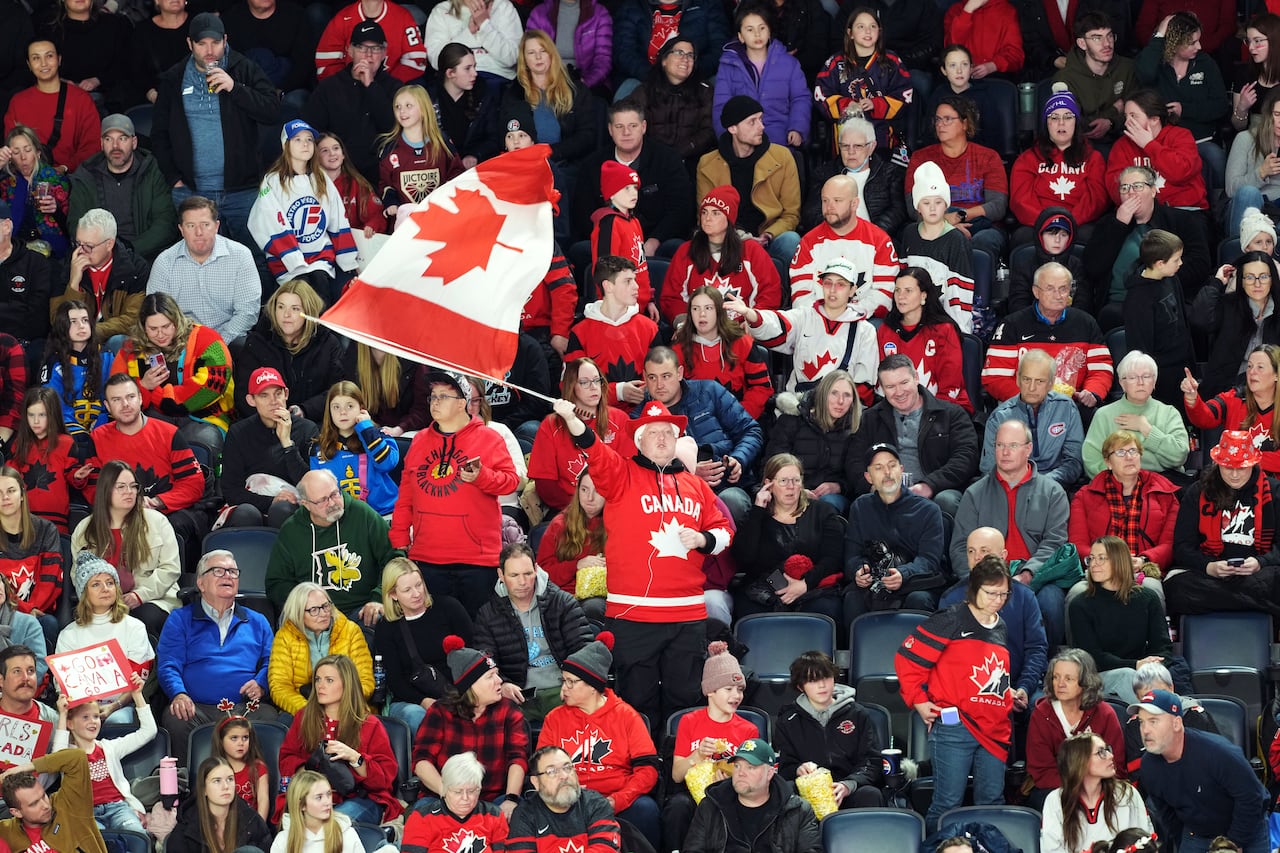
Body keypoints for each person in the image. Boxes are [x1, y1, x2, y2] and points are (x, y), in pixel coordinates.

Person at [547, 394, 733, 728]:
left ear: (677, 440)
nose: (662, 438)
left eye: (668, 432)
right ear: (638, 441)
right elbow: (596, 452)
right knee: (636, 706)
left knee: (684, 705)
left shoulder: (696, 486)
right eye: (653, 432)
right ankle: (643, 770)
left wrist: (704, 540)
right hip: (632, 616)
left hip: (686, 616)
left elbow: (724, 532)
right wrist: (573, 421)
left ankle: (676, 774)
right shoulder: (620, 474)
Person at [895, 555, 1016, 831]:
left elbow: (994, 673)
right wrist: (919, 700)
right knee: (947, 802)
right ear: (974, 589)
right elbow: (907, 658)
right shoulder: (949, 619)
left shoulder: (1000, 626)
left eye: (1003, 593)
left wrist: (1009, 696)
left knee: (992, 802)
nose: (998, 599)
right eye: (991, 592)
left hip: (995, 729)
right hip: (954, 726)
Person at [390, 371, 519, 613]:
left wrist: (483, 476)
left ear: (463, 404)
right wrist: (399, 538)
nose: (435, 402)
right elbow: (406, 495)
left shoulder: (489, 438)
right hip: (428, 557)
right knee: (439, 635)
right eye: (432, 397)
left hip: (477, 560)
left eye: (443, 396)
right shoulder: (418, 441)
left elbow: (511, 482)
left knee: (478, 633)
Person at [150, 13, 281, 248]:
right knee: (197, 261)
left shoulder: (243, 69)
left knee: (256, 258)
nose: (210, 50)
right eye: (201, 43)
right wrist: (174, 179)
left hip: (242, 190)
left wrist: (235, 87)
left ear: (226, 40)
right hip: (192, 191)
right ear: (189, 43)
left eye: (216, 42)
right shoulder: (174, 78)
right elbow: (159, 134)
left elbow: (272, 111)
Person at [951, 419, 1071, 647]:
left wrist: (1027, 574)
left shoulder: (1053, 492)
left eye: (1013, 446)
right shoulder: (974, 493)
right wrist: (982, 582)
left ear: (1028, 449)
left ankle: (1048, 665)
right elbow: (959, 546)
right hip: (985, 578)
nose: (1004, 452)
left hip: (1037, 578)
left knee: (1051, 601)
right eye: (999, 445)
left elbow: (1055, 542)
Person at [537, 632, 661, 847]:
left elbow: (648, 770)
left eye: (570, 682)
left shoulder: (626, 716)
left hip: (615, 797)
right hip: (567, 797)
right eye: (563, 680)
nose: (563, 689)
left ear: (592, 686)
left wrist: (617, 800)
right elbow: (542, 767)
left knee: (646, 810)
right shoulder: (554, 719)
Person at [156, 550, 278, 763]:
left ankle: (258, 789)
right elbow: (168, 664)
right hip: (196, 707)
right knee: (176, 717)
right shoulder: (180, 619)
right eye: (219, 571)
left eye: (232, 572)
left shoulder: (257, 621)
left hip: (244, 707)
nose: (228, 576)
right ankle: (188, 790)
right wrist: (179, 693)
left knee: (268, 717)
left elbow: (274, 662)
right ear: (201, 583)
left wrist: (260, 683)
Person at [632, 346, 762, 523]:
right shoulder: (640, 419)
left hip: (726, 486)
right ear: (644, 378)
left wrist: (738, 459)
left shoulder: (709, 391)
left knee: (733, 501)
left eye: (666, 376)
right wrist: (688, 474)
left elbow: (751, 430)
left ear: (679, 373)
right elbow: (641, 471)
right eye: (652, 378)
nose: (659, 385)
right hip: (673, 498)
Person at [1133, 689, 1270, 853]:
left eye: (1153, 721)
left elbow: (1251, 797)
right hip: (1197, 834)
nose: (1145, 730)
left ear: (1176, 723)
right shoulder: (1148, 766)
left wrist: (1235, 843)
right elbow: (1168, 815)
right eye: (1141, 722)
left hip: (1246, 829)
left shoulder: (1218, 752)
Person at [473, 542, 593, 724]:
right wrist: (503, 684)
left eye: (528, 574)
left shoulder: (562, 603)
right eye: (514, 575)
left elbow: (584, 650)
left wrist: (572, 683)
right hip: (517, 694)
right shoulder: (488, 614)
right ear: (501, 575)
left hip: (561, 689)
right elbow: (486, 659)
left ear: (536, 569)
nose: (522, 582)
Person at [1165, 430, 1280, 619]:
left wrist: (1260, 563)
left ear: (1253, 464)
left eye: (1241, 468)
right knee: (1177, 587)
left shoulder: (1275, 491)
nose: (1234, 475)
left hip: (1258, 574)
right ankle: (1256, 604)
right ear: (1218, 464)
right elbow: (1182, 547)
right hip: (1211, 574)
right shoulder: (1198, 492)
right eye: (1227, 468)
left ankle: (1231, 600)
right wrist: (1209, 566)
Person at [277, 653, 402, 823]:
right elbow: (286, 759)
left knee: (331, 823)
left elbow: (384, 781)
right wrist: (310, 770)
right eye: (318, 680)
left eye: (329, 680)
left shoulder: (369, 724)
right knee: (301, 822)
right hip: (312, 796)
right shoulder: (304, 717)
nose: (320, 686)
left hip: (362, 798)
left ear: (347, 685)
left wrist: (354, 758)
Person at [729, 258, 878, 400]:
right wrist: (750, 313)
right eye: (827, 283)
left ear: (852, 290)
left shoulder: (865, 331)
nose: (833, 290)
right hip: (797, 406)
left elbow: (865, 385)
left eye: (841, 284)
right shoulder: (804, 315)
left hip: (841, 411)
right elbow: (777, 324)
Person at [266, 468, 402, 624]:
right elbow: (276, 583)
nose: (332, 503)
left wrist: (379, 598)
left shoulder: (362, 515)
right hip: (313, 613)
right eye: (323, 500)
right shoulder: (291, 531)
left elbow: (394, 558)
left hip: (361, 609)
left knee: (379, 620)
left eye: (334, 494)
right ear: (306, 504)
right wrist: (305, 605)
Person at [412, 636, 528, 817]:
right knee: (422, 821)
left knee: (517, 817)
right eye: (490, 676)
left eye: (497, 674)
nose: (499, 681)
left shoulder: (508, 711)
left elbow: (517, 758)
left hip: (493, 798)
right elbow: (421, 761)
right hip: (442, 796)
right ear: (470, 686)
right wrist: (448, 794)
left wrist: (511, 799)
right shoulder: (440, 712)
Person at [851, 354, 978, 515]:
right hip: (885, 490)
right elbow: (854, 461)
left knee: (947, 501)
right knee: (864, 503)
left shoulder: (951, 414)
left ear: (916, 378)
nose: (899, 392)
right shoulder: (870, 418)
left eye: (904, 383)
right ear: (882, 389)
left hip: (937, 491)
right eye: (890, 387)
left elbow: (966, 457)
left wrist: (929, 485)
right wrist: (874, 486)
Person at [1084, 163, 1212, 322]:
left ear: (1153, 190)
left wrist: (1158, 277)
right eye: (1124, 188)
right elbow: (1092, 268)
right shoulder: (1108, 225)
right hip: (1119, 303)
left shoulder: (1181, 220)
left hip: (1165, 301)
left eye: (1137, 186)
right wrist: (1118, 226)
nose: (1130, 193)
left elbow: (1201, 264)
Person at [248, 120, 358, 303]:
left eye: (309, 139)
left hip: (320, 259)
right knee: (301, 297)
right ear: (286, 145)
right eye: (297, 139)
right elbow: (266, 223)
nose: (305, 144)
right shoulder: (273, 181)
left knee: (321, 293)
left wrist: (349, 262)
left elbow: (337, 220)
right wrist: (294, 261)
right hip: (286, 264)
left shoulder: (321, 178)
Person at [663, 643, 758, 849]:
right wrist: (697, 756)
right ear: (710, 691)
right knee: (678, 806)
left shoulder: (748, 730)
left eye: (740, 689)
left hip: (731, 794)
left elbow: (753, 776)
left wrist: (732, 777)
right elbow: (677, 775)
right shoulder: (689, 722)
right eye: (729, 689)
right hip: (691, 794)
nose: (736, 696)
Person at [70, 459, 180, 636]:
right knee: (81, 622)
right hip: (102, 602)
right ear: (105, 490)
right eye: (121, 487)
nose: (129, 492)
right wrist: (100, 600)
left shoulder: (157, 522)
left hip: (152, 599)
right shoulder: (85, 529)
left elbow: (170, 569)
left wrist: (139, 595)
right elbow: (78, 574)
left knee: (144, 618)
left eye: (133, 486)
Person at [983, 263, 1113, 408]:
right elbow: (994, 377)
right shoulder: (1012, 325)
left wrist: (1093, 393)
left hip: (1073, 407)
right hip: (1023, 406)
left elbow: (1101, 369)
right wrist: (1030, 398)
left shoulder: (1086, 323)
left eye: (1063, 289)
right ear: (1036, 292)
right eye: (1050, 289)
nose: (1058, 295)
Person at [571, 100, 694, 252]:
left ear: (643, 127)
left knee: (675, 247)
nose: (626, 132)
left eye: (632, 126)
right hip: (608, 243)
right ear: (610, 130)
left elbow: (681, 209)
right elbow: (583, 214)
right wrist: (611, 242)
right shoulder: (592, 165)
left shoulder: (667, 159)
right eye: (619, 127)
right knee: (580, 250)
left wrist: (655, 240)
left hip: (655, 241)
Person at [845, 441, 948, 622]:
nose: (887, 472)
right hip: (875, 583)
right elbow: (852, 554)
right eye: (879, 468)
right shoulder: (860, 507)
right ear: (868, 477)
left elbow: (930, 560)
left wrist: (904, 574)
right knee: (853, 598)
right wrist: (859, 571)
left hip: (915, 583)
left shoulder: (928, 510)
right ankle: (859, 650)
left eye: (892, 466)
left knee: (919, 599)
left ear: (901, 470)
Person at [695, 95, 801, 267]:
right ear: (732, 128)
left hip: (769, 238)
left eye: (760, 119)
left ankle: (785, 293)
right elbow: (705, 217)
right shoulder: (707, 164)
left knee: (791, 240)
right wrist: (739, 238)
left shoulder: (782, 157)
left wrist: (768, 235)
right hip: (728, 239)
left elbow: (791, 214)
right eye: (752, 122)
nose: (761, 127)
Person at [373, 556, 473, 735]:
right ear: (393, 595)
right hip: (412, 700)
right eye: (407, 590)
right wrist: (424, 701)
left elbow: (473, 654)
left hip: (457, 692)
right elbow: (396, 681)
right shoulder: (386, 628)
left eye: (419, 585)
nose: (417, 593)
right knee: (419, 716)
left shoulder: (449, 607)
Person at [775, 651, 885, 809]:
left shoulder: (858, 714)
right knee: (787, 794)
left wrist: (849, 785)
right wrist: (798, 769)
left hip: (849, 790)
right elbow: (784, 768)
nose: (822, 685)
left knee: (870, 794)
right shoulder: (788, 721)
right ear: (800, 686)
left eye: (826, 677)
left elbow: (872, 762)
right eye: (813, 680)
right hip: (809, 793)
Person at [1068, 536, 1175, 699]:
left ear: (1120, 561)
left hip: (1142, 673)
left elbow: (1163, 647)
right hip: (1098, 677)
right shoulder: (1080, 604)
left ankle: (1185, 710)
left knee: (1160, 676)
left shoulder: (1147, 598)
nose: (1094, 564)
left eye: (1101, 558)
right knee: (1127, 675)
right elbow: (1092, 657)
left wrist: (1153, 666)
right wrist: (1135, 665)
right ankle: (1159, 712)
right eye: (1091, 558)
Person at [111, 292, 235, 432]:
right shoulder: (131, 349)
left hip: (203, 416)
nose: (160, 334)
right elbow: (116, 394)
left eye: (166, 326)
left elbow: (212, 386)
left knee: (201, 443)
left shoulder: (207, 339)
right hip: (151, 416)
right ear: (143, 327)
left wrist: (162, 397)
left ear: (177, 321)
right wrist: (143, 386)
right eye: (153, 329)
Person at [147, 196, 262, 345]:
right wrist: (186, 346)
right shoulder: (165, 262)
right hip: (180, 343)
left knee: (244, 345)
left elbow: (247, 312)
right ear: (181, 229)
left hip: (229, 340)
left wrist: (217, 344)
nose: (199, 232)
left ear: (216, 226)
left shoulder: (240, 256)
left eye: (205, 224)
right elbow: (157, 314)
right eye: (190, 226)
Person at [906, 96, 1010, 261]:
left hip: (981, 227)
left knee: (984, 243)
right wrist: (943, 223)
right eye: (938, 119)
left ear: (965, 123)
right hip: (933, 223)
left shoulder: (988, 157)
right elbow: (914, 208)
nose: (940, 124)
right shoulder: (921, 158)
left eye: (948, 119)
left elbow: (997, 206)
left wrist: (959, 216)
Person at [661, 190, 782, 329]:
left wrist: (753, 322)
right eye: (704, 212)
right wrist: (683, 324)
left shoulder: (751, 250)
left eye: (716, 213)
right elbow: (672, 297)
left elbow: (770, 291)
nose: (707, 218)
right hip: (696, 332)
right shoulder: (686, 251)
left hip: (741, 332)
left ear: (729, 218)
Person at [1135, 12, 1229, 191]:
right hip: (1165, 143)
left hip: (1201, 140)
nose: (1199, 46)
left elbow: (1221, 105)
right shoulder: (1156, 63)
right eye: (1192, 42)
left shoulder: (1205, 63)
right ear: (1175, 43)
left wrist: (1185, 110)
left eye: (1198, 40)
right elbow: (1144, 73)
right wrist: (1160, 34)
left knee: (1215, 157)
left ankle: (1217, 209)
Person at [67, 114, 177, 262]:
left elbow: (165, 223)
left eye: (122, 138)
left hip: (144, 255)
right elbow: (76, 222)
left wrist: (130, 249)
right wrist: (100, 250)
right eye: (108, 139)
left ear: (134, 142)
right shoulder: (86, 175)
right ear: (101, 144)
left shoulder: (152, 171)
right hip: (98, 255)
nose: (115, 146)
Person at [302, 22, 401, 185]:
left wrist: (370, 85)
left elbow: (392, 128)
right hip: (337, 175)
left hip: (383, 175)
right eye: (362, 48)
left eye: (375, 48)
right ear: (350, 50)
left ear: (384, 52)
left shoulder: (395, 88)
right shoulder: (329, 87)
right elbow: (311, 132)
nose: (368, 55)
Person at [1070, 433, 1180, 579]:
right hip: (1098, 571)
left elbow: (1170, 543)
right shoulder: (1084, 496)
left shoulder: (1165, 495)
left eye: (1133, 451)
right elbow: (1077, 543)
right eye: (1120, 452)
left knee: (1151, 591)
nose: (1129, 457)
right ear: (1108, 462)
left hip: (1145, 572)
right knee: (1077, 594)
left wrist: (1143, 560)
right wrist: (1104, 562)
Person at [235, 281, 347, 424]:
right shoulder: (257, 342)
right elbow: (244, 395)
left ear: (309, 311)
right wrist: (273, 418)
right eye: (281, 307)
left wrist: (305, 410)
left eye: (295, 309)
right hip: (265, 424)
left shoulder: (327, 343)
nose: (286, 315)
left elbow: (339, 390)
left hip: (314, 423)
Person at [1026, 648, 1127, 807]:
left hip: (1100, 786)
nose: (1060, 684)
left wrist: (1092, 787)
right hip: (1055, 788)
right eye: (1056, 677)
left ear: (1086, 682)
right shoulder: (1041, 714)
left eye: (1068, 679)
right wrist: (1079, 790)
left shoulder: (1105, 714)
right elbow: (1041, 770)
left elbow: (1116, 765)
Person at [221, 367, 319, 528]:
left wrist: (288, 444)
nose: (273, 401)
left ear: (286, 394)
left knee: (282, 509)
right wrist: (271, 501)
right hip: (254, 503)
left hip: (296, 505)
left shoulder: (307, 429)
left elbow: (311, 486)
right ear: (251, 400)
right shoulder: (238, 433)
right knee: (246, 513)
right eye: (264, 395)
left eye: (278, 393)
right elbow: (231, 489)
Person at [528, 358, 631, 511]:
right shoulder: (550, 425)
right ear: (571, 387)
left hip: (614, 508)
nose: (593, 387)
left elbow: (629, 474)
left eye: (597, 380)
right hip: (569, 510)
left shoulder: (620, 419)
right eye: (584, 382)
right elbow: (545, 485)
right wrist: (579, 510)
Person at [684, 738, 821, 853]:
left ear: (770, 773)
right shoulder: (711, 806)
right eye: (737, 766)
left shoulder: (797, 810)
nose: (740, 773)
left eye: (750, 767)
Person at [789, 173, 899, 316]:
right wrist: (826, 315)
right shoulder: (809, 242)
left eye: (837, 200)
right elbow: (800, 294)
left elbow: (885, 295)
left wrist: (849, 313)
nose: (829, 207)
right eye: (825, 200)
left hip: (864, 320)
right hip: (818, 320)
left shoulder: (879, 240)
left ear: (854, 204)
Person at [50, 679, 152, 832]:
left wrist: (137, 695)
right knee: (94, 843)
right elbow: (55, 759)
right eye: (85, 717)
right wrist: (63, 715)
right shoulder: (67, 755)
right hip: (86, 813)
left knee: (136, 835)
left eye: (96, 716)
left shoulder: (110, 747)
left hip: (118, 808)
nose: (93, 722)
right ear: (70, 724)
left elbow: (148, 731)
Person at [1010, 84, 1110, 235]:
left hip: (1079, 224)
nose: (1061, 123)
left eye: (1068, 117)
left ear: (1076, 122)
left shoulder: (1093, 158)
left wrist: (1067, 223)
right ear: (1046, 123)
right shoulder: (1028, 159)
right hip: (1038, 225)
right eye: (1054, 117)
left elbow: (1097, 200)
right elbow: (1020, 201)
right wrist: (1048, 224)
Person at [563, 256, 659, 411]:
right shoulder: (580, 332)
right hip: (597, 417)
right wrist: (617, 392)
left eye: (634, 280)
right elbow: (569, 387)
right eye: (628, 281)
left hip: (644, 416)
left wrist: (647, 390)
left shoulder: (649, 328)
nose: (636, 286)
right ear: (608, 286)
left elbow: (662, 377)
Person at [55, 548, 157, 693]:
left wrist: (114, 706)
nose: (105, 589)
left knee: (118, 718)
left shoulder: (135, 627)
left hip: (124, 705)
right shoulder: (68, 635)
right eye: (96, 584)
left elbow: (138, 678)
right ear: (83, 593)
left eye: (110, 583)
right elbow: (63, 684)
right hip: (83, 709)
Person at [814, 7, 912, 154]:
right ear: (850, 33)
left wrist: (875, 104)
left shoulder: (892, 62)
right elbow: (821, 97)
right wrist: (849, 105)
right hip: (846, 143)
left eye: (873, 26)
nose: (868, 31)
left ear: (879, 31)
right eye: (861, 26)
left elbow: (905, 96)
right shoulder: (835, 63)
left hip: (882, 141)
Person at [982, 349, 1086, 487]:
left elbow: (1074, 461)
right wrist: (1021, 486)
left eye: (1039, 381)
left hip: (1055, 487)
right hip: (1012, 489)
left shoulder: (1066, 408)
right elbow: (990, 469)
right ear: (1018, 380)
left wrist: (1044, 483)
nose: (1032, 388)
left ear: (1051, 383)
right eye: (1026, 379)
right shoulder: (999, 417)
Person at [669, 286, 774, 421]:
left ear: (719, 311)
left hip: (740, 420)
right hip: (696, 424)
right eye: (695, 309)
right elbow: (669, 392)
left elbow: (761, 387)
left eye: (708, 308)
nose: (702, 314)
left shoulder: (742, 342)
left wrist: (739, 415)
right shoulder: (679, 347)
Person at [269, 584, 375, 716]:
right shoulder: (284, 637)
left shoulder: (350, 631)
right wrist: (308, 711)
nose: (324, 614)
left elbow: (365, 682)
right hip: (302, 707)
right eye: (314, 610)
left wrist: (338, 705)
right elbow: (280, 687)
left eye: (326, 606)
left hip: (347, 707)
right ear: (298, 613)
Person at [712, 3, 808, 149]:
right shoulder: (728, 65)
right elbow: (721, 106)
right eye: (750, 30)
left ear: (769, 31)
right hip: (742, 143)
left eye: (762, 28)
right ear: (740, 36)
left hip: (780, 140)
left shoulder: (789, 63)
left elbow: (800, 98)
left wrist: (797, 128)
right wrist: (726, 139)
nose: (757, 34)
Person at [50, 210, 149, 348]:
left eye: (89, 246)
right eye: (78, 243)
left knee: (118, 341)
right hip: (76, 342)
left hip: (112, 339)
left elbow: (132, 319)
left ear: (109, 244)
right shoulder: (65, 267)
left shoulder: (134, 269)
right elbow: (59, 323)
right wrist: (73, 284)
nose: (81, 250)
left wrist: (93, 331)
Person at [765, 370, 861, 513]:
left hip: (830, 499)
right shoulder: (792, 420)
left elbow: (856, 474)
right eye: (834, 393)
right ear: (822, 395)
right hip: (789, 490)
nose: (840, 401)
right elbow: (772, 465)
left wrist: (838, 486)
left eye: (847, 395)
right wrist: (798, 490)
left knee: (826, 506)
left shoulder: (855, 430)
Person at [1082, 351, 1190, 478]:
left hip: (1162, 486)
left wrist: (1147, 430)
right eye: (1132, 377)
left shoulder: (1168, 413)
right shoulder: (1104, 415)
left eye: (1146, 376)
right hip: (1116, 485)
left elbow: (1179, 456)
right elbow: (1091, 460)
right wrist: (1124, 479)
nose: (1140, 382)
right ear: (1122, 383)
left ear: (1154, 381)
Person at [1040, 733, 1152, 853]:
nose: (1111, 756)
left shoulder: (1127, 793)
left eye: (1108, 750)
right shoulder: (1055, 800)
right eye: (1101, 752)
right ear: (1080, 762)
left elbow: (1146, 842)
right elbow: (1051, 849)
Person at [898, 166, 976, 335]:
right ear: (917, 207)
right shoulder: (909, 233)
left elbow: (960, 290)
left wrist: (958, 330)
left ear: (947, 205)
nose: (932, 208)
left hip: (944, 322)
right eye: (926, 203)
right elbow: (903, 278)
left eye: (938, 202)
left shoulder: (956, 240)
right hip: (912, 318)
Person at [877, 269, 970, 409]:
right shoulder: (886, 330)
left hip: (943, 410)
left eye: (908, 290)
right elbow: (880, 381)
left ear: (923, 296)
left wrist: (928, 415)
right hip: (896, 409)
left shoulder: (944, 330)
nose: (900, 296)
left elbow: (951, 383)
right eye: (897, 290)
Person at [1190, 254, 1280, 399]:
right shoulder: (1228, 305)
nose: (1257, 284)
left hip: (1271, 395)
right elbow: (1199, 320)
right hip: (1226, 392)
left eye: (1263, 277)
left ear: (1272, 279)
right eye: (1249, 277)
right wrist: (1217, 282)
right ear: (1241, 281)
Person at [801, 115, 906, 238]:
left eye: (858, 146)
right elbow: (811, 214)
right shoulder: (825, 174)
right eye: (845, 146)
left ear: (871, 147)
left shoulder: (890, 173)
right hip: (834, 239)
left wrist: (872, 234)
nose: (851, 151)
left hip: (876, 239)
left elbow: (898, 211)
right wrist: (839, 233)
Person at [2, 39, 99, 173]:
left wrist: (64, 168)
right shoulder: (18, 101)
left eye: (49, 56)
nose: (43, 63)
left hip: (72, 177)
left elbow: (92, 147)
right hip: (28, 177)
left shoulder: (81, 99)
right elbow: (12, 146)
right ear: (29, 65)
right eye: (36, 58)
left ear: (59, 59)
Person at [1185, 344, 1280, 478]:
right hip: (1233, 482)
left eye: (1260, 367)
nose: (1252, 372)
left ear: (1276, 375)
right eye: (1250, 366)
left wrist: (1240, 458)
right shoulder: (1235, 398)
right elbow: (1205, 417)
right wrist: (1192, 400)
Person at [308, 380, 400, 516]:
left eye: (350, 406)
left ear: (361, 408)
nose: (343, 412)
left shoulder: (379, 436)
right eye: (336, 407)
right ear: (329, 411)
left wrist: (367, 430)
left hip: (385, 514)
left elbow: (387, 464)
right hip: (343, 519)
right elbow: (319, 491)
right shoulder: (319, 449)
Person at [505, 746, 621, 853]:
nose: (564, 776)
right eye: (552, 771)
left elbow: (606, 849)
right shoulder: (524, 815)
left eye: (567, 767)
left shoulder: (596, 804)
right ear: (536, 782)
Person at [1105, 90, 1207, 212]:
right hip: (1140, 213)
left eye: (1133, 116)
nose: (1127, 122)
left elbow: (1180, 173)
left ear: (1154, 119)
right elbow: (1116, 189)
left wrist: (1149, 145)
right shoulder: (1122, 145)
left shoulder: (1180, 136)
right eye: (1126, 116)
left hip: (1184, 211)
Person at [377, 85, 464, 222]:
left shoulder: (442, 142)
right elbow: (385, 184)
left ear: (423, 109)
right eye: (397, 107)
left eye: (408, 105)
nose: (402, 111)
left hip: (439, 219)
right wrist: (391, 203)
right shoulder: (390, 148)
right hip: (404, 224)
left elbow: (457, 175)